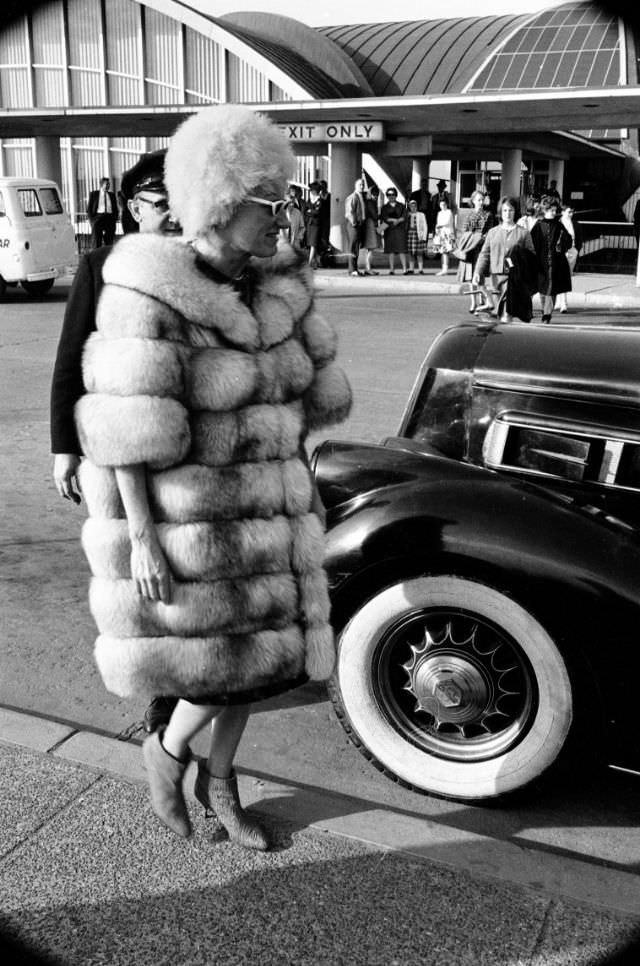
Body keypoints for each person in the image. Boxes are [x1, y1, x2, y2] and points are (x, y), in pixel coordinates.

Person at [73, 104, 352, 851]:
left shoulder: (270, 287)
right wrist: (141, 540)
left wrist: (297, 292)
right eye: (270, 202)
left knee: (257, 667)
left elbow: (324, 395)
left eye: (284, 201)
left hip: (270, 512)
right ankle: (165, 754)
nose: (281, 216)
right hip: (188, 521)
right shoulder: (149, 289)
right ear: (222, 202)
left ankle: (221, 782)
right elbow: (125, 436)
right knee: (214, 669)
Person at [51, 148, 181, 735]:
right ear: (132, 208)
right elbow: (70, 355)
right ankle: (157, 692)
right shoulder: (101, 263)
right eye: (160, 204)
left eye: (179, 202)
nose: (173, 214)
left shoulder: (192, 265)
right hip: (114, 441)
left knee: (181, 561)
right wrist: (64, 447)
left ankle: (185, 677)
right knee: (133, 569)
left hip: (181, 443)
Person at [473, 195, 536, 322]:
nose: (508, 213)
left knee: (507, 314)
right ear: (500, 212)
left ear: (515, 212)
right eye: (505, 210)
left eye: (511, 210)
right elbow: (484, 254)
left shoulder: (523, 233)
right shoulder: (493, 232)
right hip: (496, 279)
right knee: (498, 314)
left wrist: (520, 259)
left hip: (514, 279)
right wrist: (477, 272)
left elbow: (531, 255)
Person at [530, 195, 573, 323]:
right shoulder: (538, 225)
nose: (554, 213)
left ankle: (547, 313)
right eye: (552, 210)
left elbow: (569, 240)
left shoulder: (558, 225)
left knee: (552, 289)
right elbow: (531, 244)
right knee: (543, 289)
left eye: (555, 210)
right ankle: (545, 310)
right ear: (545, 210)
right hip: (541, 262)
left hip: (556, 262)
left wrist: (563, 243)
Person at [456, 190, 494, 311]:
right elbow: (464, 231)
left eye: (482, 199)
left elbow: (489, 231)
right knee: (469, 276)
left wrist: (480, 239)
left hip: (481, 248)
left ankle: (483, 299)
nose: (481, 202)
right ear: (473, 201)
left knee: (479, 275)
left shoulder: (488, 214)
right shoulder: (469, 215)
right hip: (469, 248)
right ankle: (474, 302)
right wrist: (468, 241)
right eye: (478, 200)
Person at [555, 203, 583, 313]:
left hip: (572, 251)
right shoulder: (558, 224)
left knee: (566, 277)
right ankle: (563, 303)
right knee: (562, 276)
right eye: (568, 212)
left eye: (572, 212)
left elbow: (579, 237)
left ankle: (559, 301)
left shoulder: (575, 224)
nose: (571, 214)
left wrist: (576, 249)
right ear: (562, 212)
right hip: (560, 253)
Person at [380, 187, 407, 274]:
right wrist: (393, 220)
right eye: (389, 195)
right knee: (391, 251)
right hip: (389, 231)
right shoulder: (384, 207)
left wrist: (398, 220)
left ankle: (405, 269)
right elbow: (384, 217)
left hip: (400, 230)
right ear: (387, 196)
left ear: (396, 195)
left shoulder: (401, 205)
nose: (391, 196)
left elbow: (405, 216)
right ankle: (391, 269)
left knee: (401, 250)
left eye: (393, 194)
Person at [344, 177, 367, 276]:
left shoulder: (360, 196)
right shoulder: (353, 197)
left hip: (359, 224)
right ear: (355, 186)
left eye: (363, 185)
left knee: (356, 247)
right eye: (360, 185)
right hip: (354, 225)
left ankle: (355, 269)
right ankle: (352, 269)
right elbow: (349, 212)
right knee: (353, 247)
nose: (362, 186)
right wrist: (354, 222)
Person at [87, 177, 118, 249]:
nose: (108, 185)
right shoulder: (94, 194)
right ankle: (96, 257)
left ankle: (107, 257)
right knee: (96, 242)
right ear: (101, 185)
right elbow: (89, 209)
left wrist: (114, 219)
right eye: (106, 184)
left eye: (109, 184)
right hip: (98, 218)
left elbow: (115, 208)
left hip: (109, 218)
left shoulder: (112, 195)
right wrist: (92, 221)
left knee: (109, 242)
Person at [433, 197, 456, 275]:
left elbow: (447, 222)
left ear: (447, 204)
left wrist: (439, 225)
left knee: (446, 252)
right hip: (441, 234)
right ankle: (444, 269)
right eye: (441, 204)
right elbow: (438, 222)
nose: (443, 206)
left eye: (444, 204)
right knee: (443, 252)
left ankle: (445, 269)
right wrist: (437, 229)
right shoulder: (439, 213)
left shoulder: (449, 212)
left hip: (447, 234)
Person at [405, 198, 428, 274]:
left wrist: (424, 236)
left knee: (419, 253)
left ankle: (420, 269)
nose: (413, 207)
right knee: (410, 253)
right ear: (409, 207)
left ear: (417, 206)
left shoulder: (421, 214)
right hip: (409, 235)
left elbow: (425, 226)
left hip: (418, 235)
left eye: (414, 206)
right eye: (411, 206)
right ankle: (411, 268)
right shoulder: (407, 215)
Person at [362, 185, 381, 275]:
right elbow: (375, 216)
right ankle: (368, 268)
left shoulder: (368, 202)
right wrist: (382, 215)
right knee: (371, 248)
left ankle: (368, 268)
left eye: (377, 194)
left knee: (370, 249)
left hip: (369, 225)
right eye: (374, 194)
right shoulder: (370, 203)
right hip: (371, 225)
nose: (376, 196)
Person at [304, 181, 323, 268]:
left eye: (313, 190)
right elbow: (305, 211)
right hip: (309, 224)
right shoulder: (309, 200)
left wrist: (310, 211)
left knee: (313, 243)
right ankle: (314, 263)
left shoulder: (319, 200)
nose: (311, 192)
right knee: (311, 243)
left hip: (316, 224)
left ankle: (309, 262)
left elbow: (317, 212)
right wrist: (311, 211)